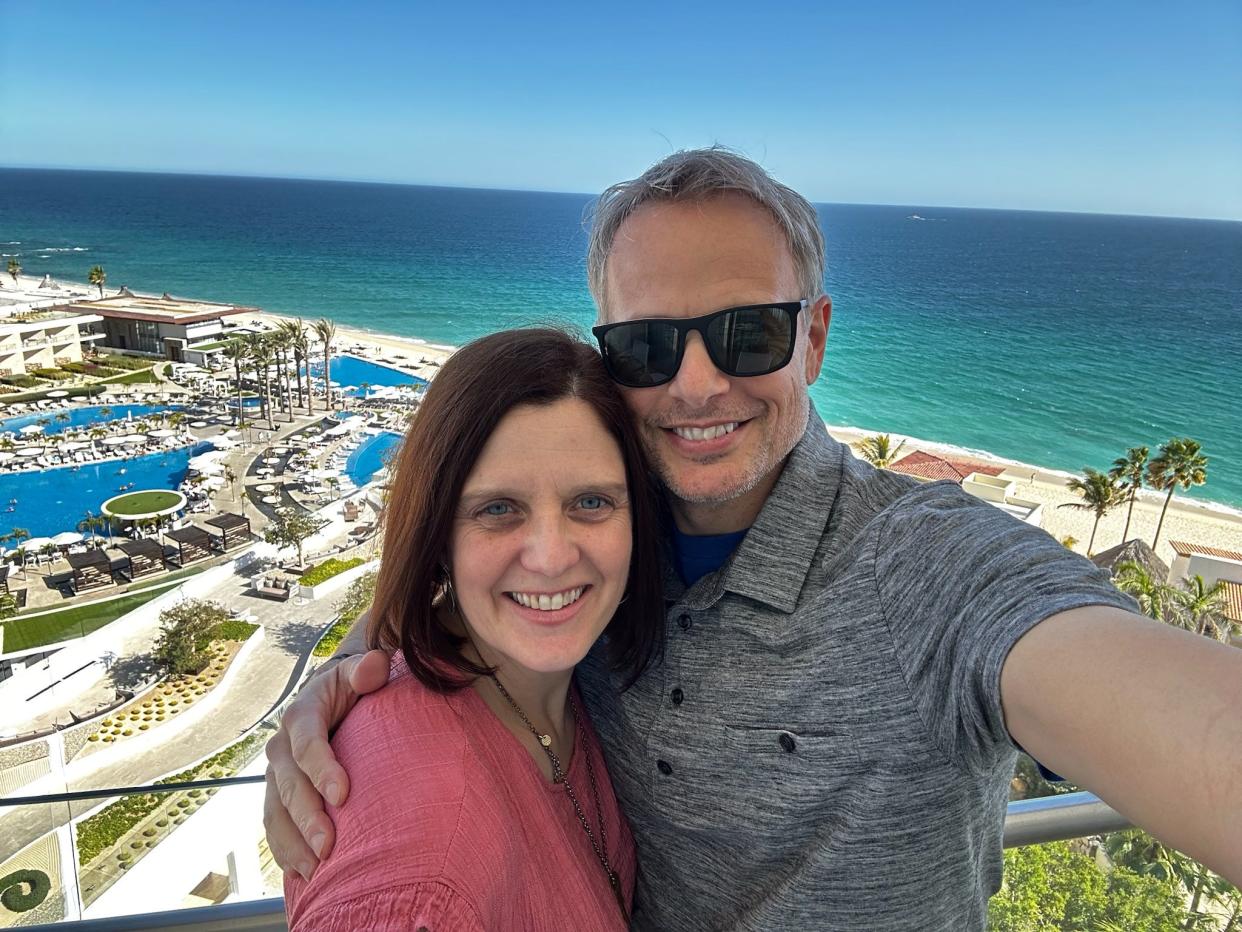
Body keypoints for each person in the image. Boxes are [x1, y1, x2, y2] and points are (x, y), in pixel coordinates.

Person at [267, 149, 1242, 929]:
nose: (695, 384)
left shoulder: (925, 567)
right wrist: (349, 683)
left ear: (813, 337)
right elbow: (471, 566)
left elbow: (1131, 688)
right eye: (650, 344)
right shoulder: (597, 542)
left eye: (747, 333)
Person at [282, 329, 665, 929]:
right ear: (439, 538)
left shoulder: (565, 681)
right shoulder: (426, 869)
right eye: (497, 509)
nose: (551, 557)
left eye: (590, 503)